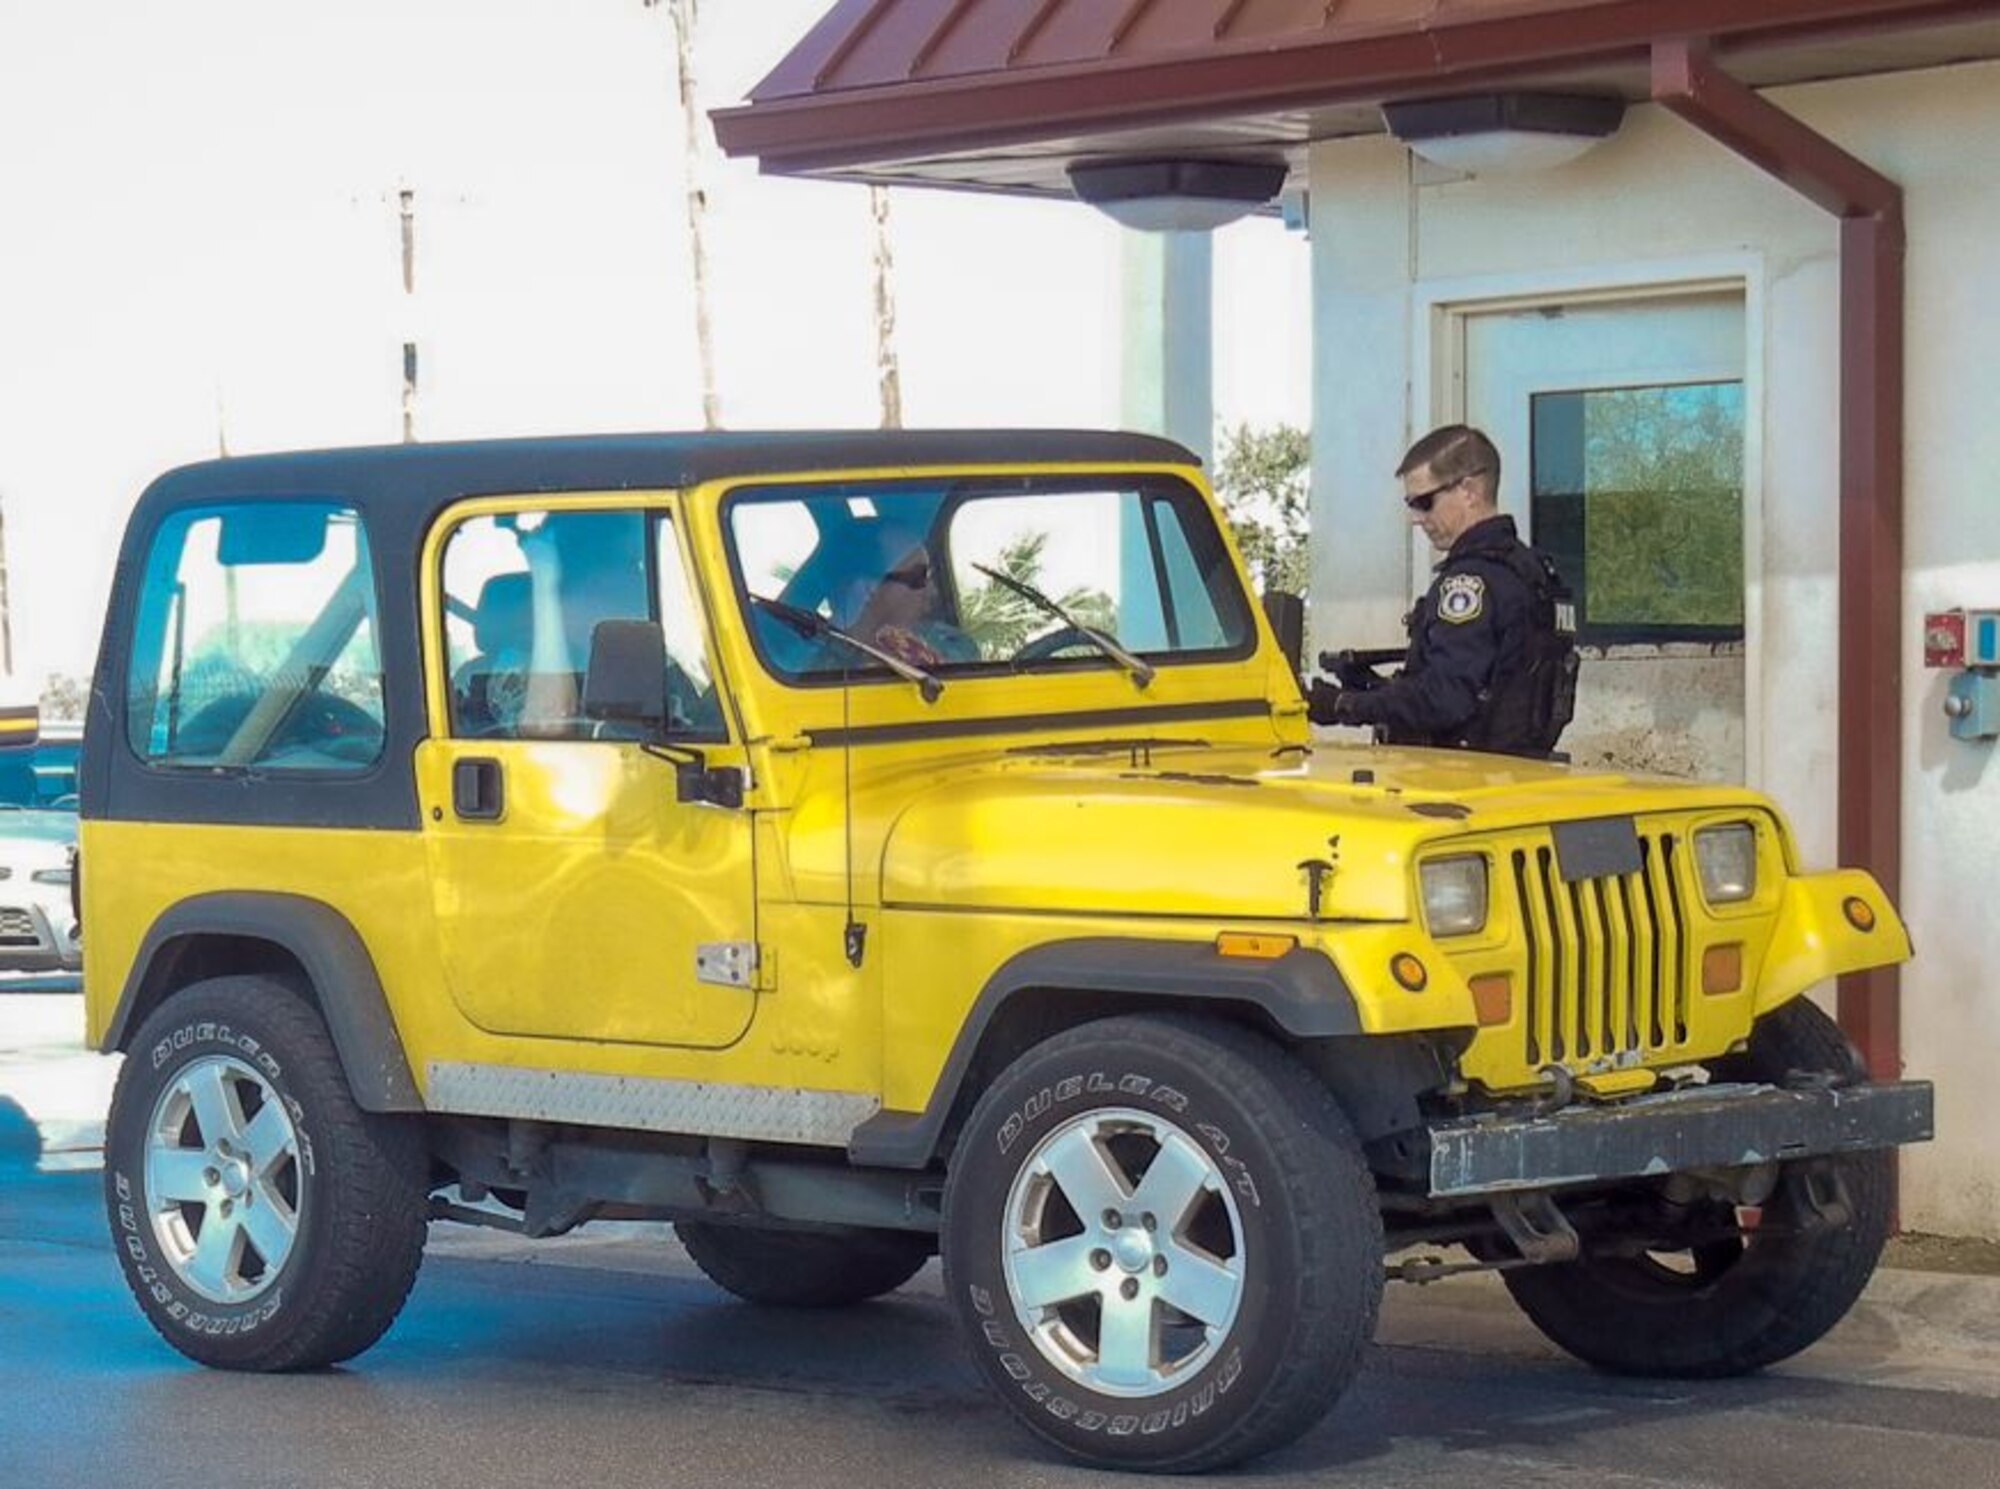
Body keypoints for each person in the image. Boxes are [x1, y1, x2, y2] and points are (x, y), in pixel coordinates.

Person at [1309, 425, 1577, 757]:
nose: (1416, 519)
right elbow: (1497, 687)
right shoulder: (1535, 573)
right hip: (1519, 773)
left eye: (1424, 502)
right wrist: (1378, 687)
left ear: (1468, 491)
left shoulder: (1469, 584)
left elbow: (1448, 699)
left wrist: (1343, 705)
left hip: (1464, 783)